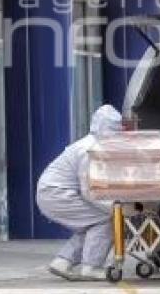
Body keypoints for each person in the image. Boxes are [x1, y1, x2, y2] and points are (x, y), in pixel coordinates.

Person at [36, 104, 122, 281]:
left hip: (54, 193)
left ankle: (63, 261)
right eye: (116, 130)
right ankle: (91, 267)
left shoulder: (91, 145)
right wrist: (115, 207)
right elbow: (89, 191)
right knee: (106, 219)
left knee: (90, 223)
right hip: (57, 194)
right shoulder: (89, 149)